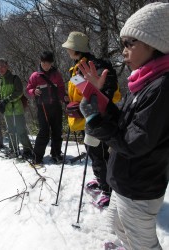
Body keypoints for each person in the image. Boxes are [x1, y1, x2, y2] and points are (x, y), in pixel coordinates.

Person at [78, 2, 169, 249]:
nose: (124, 51)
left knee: (144, 243)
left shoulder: (161, 88)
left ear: (154, 43)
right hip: (125, 180)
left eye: (130, 43)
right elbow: (126, 123)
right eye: (122, 44)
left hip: (139, 186)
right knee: (118, 225)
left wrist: (96, 121)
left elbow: (135, 141)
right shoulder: (144, 80)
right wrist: (101, 103)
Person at [62, 31, 120, 207]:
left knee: (100, 154)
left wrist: (83, 109)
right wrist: (73, 103)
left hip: (97, 119)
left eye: (68, 47)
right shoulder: (77, 66)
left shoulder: (94, 66)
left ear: (75, 49)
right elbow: (82, 93)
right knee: (93, 153)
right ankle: (100, 180)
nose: (66, 50)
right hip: (86, 120)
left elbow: (108, 95)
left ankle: (108, 190)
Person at [26, 51, 65, 164]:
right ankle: (37, 156)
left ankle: (56, 153)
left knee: (57, 131)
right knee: (44, 131)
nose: (46, 66)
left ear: (51, 63)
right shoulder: (35, 76)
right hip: (42, 107)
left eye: (48, 63)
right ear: (40, 62)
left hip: (56, 106)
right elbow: (28, 89)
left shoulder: (56, 74)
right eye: (43, 63)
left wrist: (64, 98)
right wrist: (33, 91)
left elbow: (61, 88)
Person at [0, 58, 33, 158]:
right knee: (11, 131)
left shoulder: (14, 78)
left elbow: (19, 92)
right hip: (7, 111)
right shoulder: (1, 80)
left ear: (7, 66)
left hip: (17, 109)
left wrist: (6, 100)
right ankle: (14, 150)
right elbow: (1, 94)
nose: (1, 69)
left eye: (2, 66)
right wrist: (0, 102)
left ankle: (28, 150)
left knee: (21, 130)